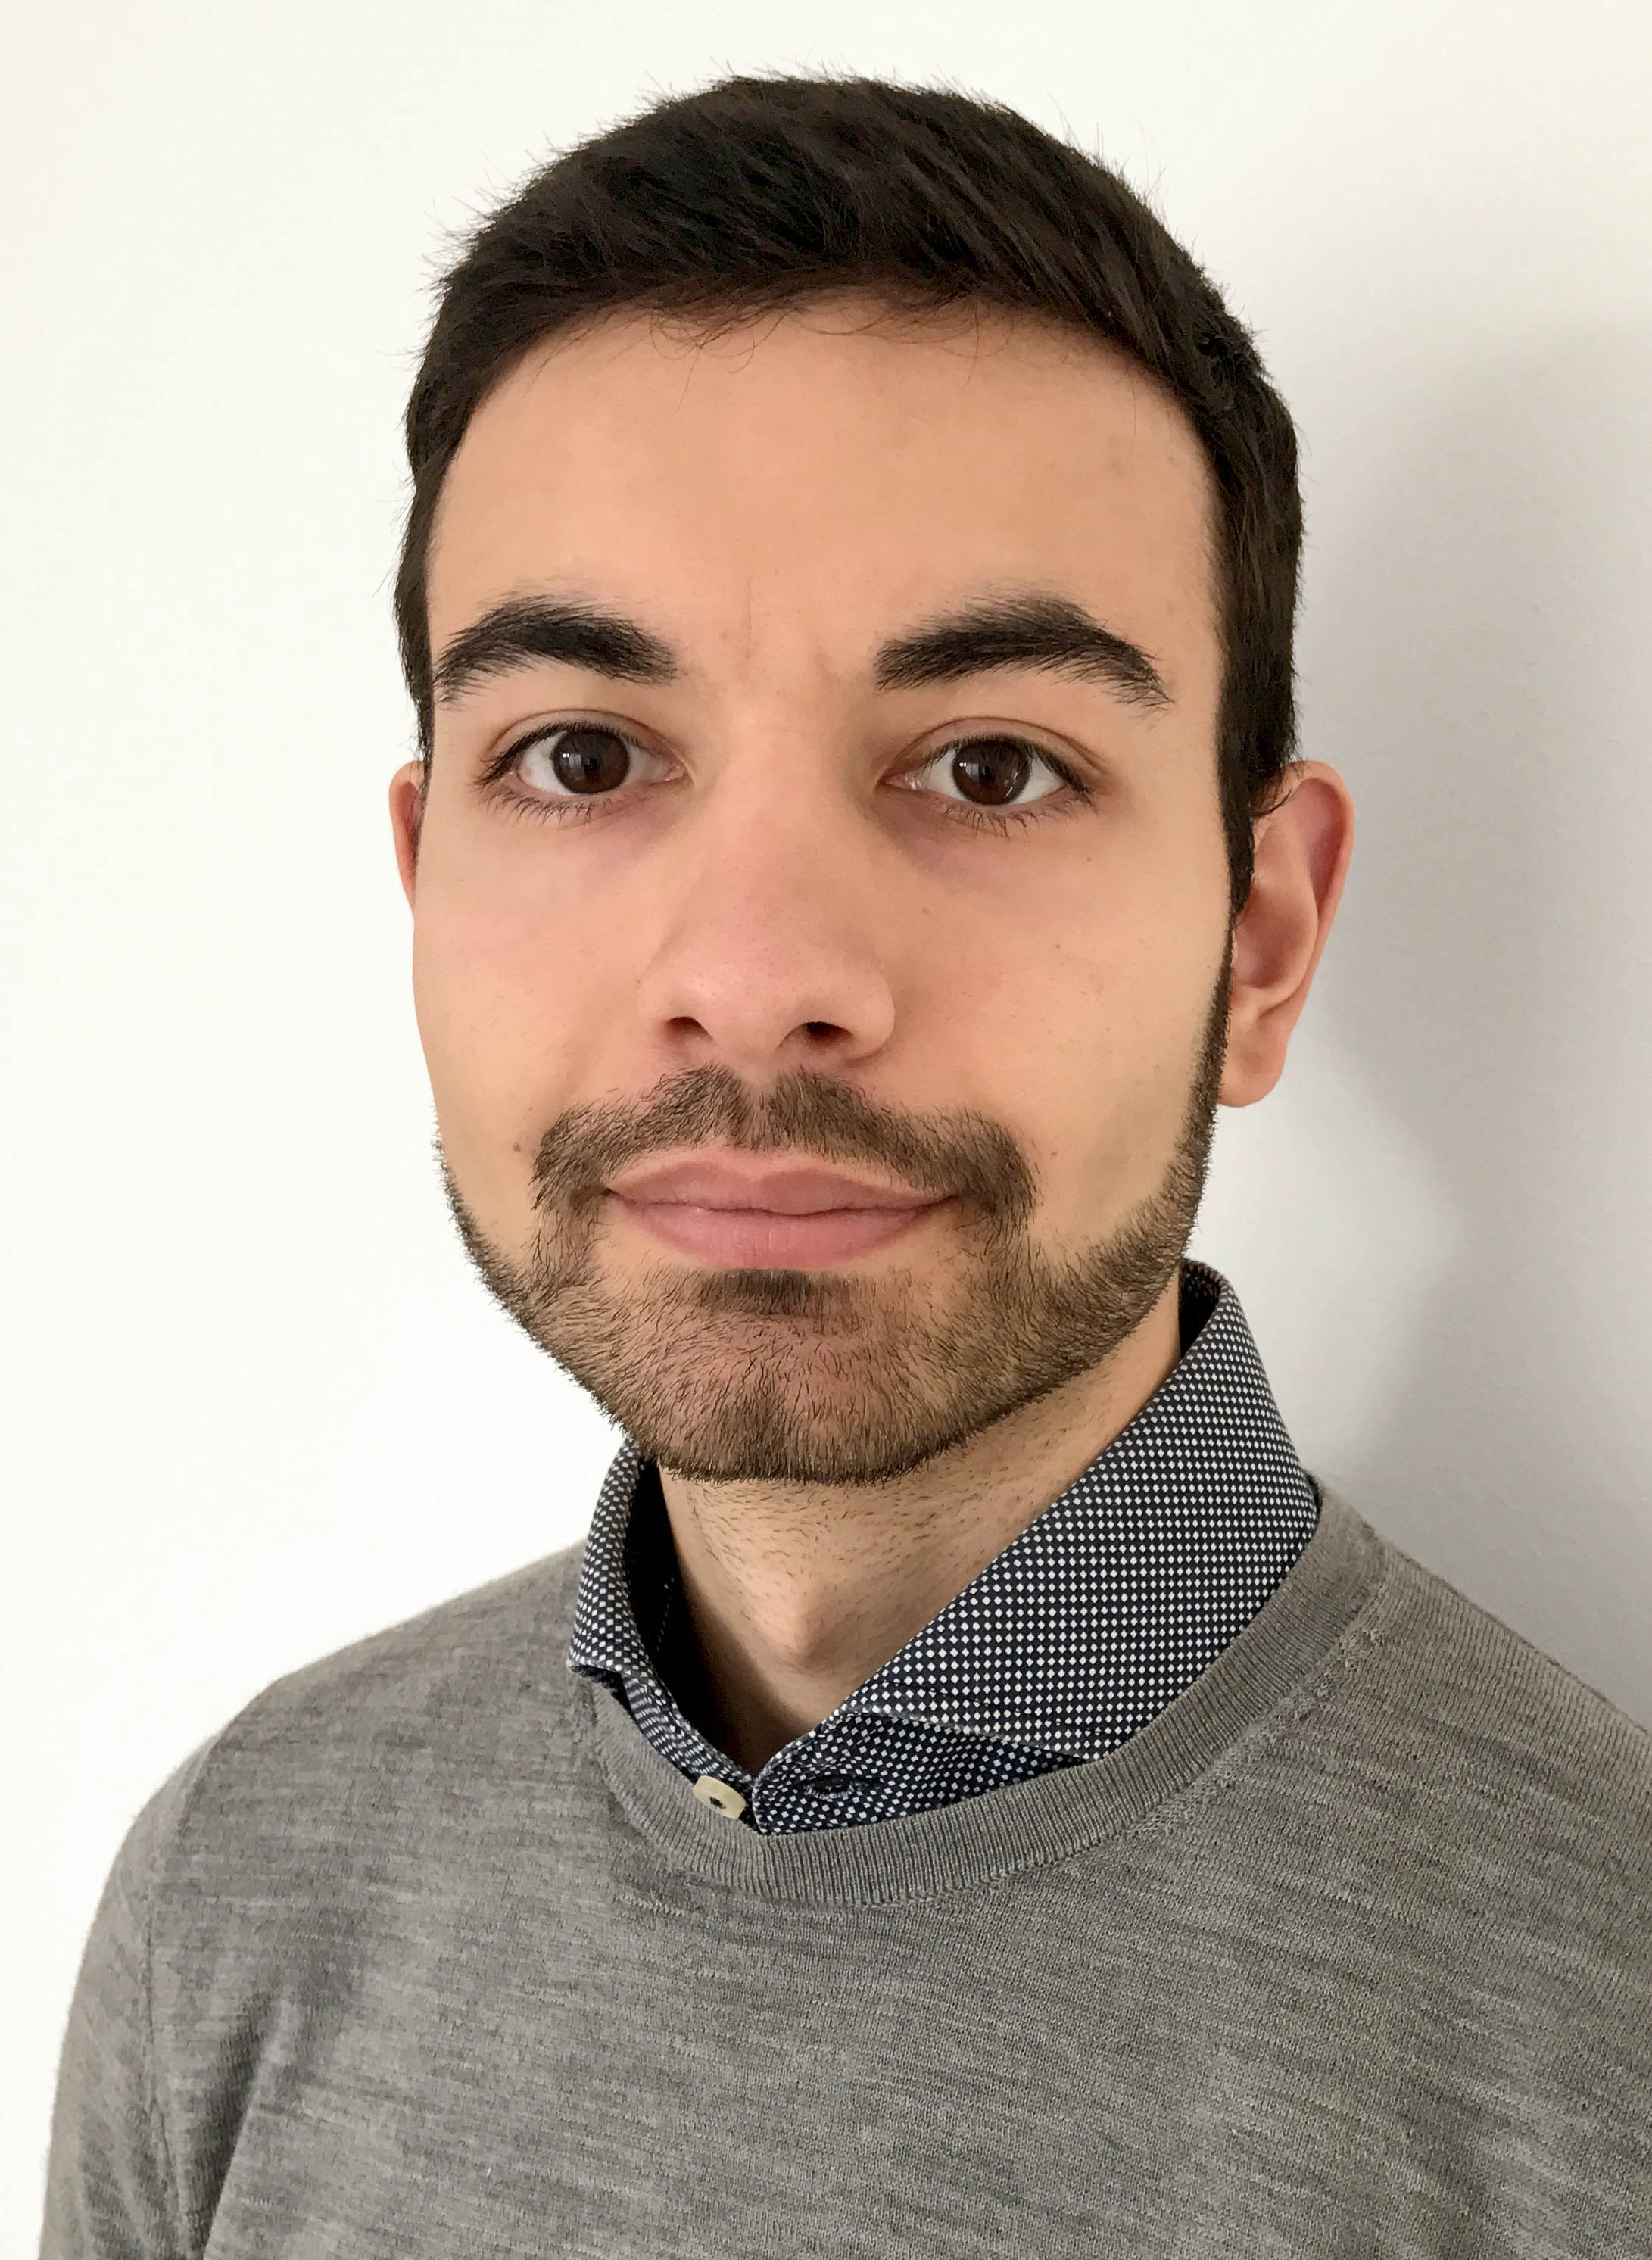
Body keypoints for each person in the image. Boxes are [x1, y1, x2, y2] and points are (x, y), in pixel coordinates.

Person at [40, 73, 1650, 2257]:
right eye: (581, 757)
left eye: (990, 767)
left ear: (1261, 941)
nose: (757, 979)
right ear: (423, 883)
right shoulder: (237, 1895)